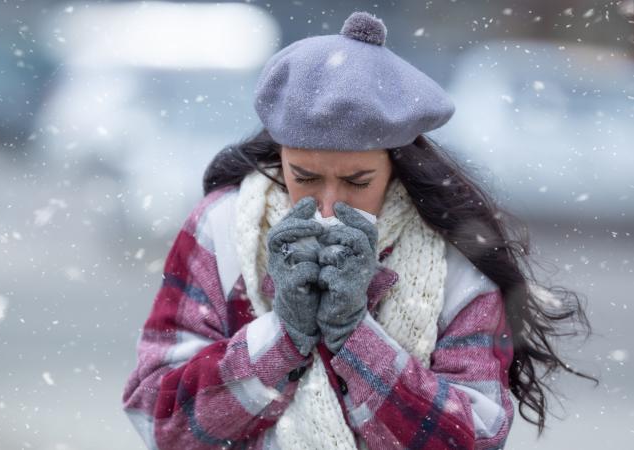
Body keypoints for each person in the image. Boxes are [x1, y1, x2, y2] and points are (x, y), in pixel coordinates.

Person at [122, 11, 597, 450]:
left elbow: (473, 438)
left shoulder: (455, 257)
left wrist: (355, 337)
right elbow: (158, 421)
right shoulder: (220, 228)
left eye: (357, 181)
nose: (329, 205)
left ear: (396, 165)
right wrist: (281, 334)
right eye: (303, 177)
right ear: (279, 156)